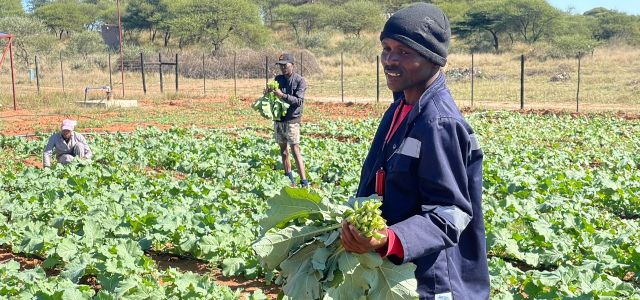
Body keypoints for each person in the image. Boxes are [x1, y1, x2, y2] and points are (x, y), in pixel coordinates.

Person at [340, 3, 490, 300]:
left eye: (405, 52)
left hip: (432, 281)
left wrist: (388, 239)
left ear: (433, 58)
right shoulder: (400, 108)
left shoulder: (438, 122)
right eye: (386, 48)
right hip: (399, 272)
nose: (390, 60)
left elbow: (450, 214)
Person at [267, 53, 309, 187]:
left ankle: (304, 182)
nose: (283, 68)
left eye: (285, 65)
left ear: (292, 65)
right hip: (279, 119)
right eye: (281, 66)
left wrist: (282, 95)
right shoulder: (278, 79)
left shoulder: (299, 81)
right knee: (283, 150)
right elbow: (273, 98)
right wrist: (268, 93)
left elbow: (298, 101)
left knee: (295, 150)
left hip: (292, 119)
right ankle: (289, 180)